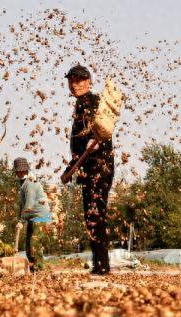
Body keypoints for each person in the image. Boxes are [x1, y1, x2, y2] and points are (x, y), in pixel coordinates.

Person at [61, 64, 114, 276]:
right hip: (87, 168)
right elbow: (80, 148)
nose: (74, 85)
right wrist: (69, 169)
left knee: (96, 216)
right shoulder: (80, 105)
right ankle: (99, 263)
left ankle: (102, 265)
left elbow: (100, 133)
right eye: (71, 81)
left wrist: (95, 138)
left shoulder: (91, 101)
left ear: (89, 82)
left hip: (99, 166)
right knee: (92, 216)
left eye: (79, 80)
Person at [13, 157, 52, 272]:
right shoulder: (23, 184)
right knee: (28, 247)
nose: (18, 173)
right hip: (31, 217)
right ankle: (33, 270)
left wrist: (21, 221)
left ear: (25, 170)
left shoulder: (29, 183)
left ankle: (39, 271)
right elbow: (23, 205)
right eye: (17, 171)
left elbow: (29, 205)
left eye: (20, 170)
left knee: (34, 244)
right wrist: (19, 219)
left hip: (41, 216)